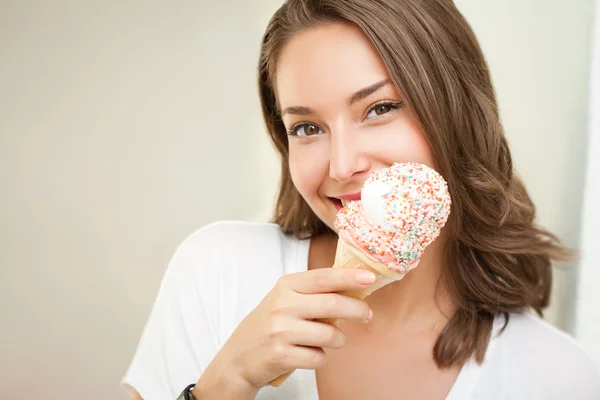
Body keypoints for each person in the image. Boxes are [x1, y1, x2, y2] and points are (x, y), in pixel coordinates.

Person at [122, 0, 600, 399]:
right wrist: (225, 382)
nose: (341, 165)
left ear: (456, 112)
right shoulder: (218, 273)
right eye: (307, 128)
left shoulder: (555, 376)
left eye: (379, 108)